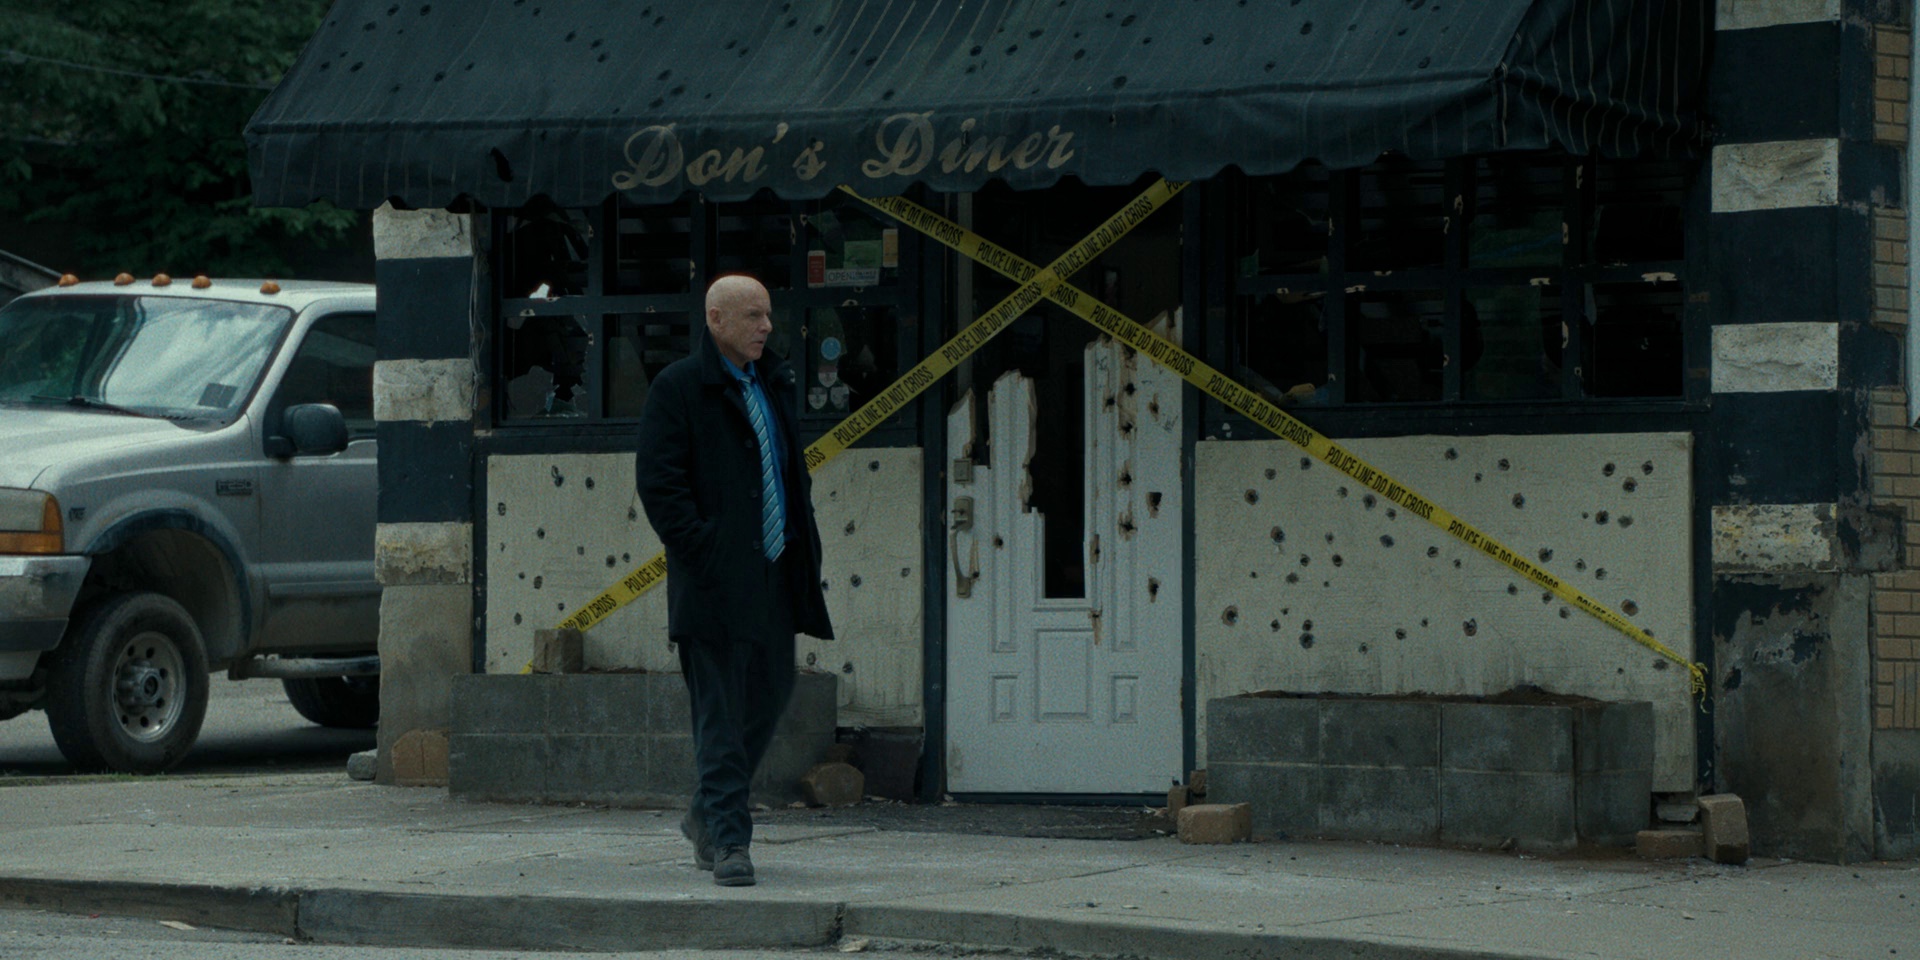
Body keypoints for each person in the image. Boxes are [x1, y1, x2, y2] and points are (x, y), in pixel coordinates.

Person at [633, 274, 834, 887]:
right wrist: (707, 551)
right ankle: (729, 841)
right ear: (716, 319)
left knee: (767, 702)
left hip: (776, 576)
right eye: (753, 316)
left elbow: (788, 476)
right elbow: (660, 486)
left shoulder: (773, 382)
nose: (766, 327)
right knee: (720, 718)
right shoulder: (678, 388)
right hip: (715, 584)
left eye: (768, 315)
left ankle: (704, 812)